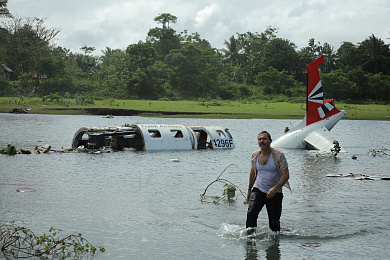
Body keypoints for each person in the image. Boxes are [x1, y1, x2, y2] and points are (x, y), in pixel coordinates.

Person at [246, 131, 290, 235]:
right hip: (258, 189)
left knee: (274, 223)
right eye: (260, 139)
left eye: (264, 139)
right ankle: (250, 240)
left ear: (270, 141)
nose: (262, 141)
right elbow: (253, 173)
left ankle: (274, 245)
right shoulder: (255, 155)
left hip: (275, 192)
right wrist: (249, 191)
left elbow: (286, 175)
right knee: (251, 214)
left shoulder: (278, 155)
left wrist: (275, 188)